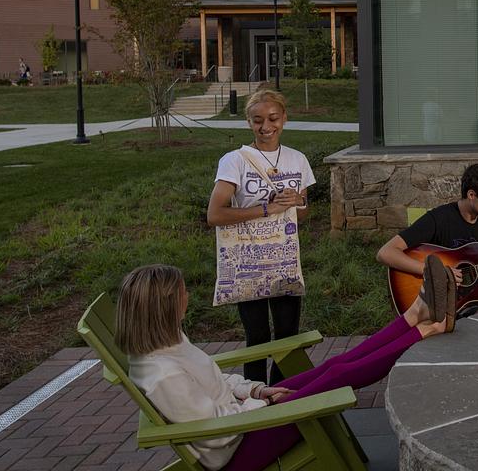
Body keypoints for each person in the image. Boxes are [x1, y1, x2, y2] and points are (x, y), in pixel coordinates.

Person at [117, 262, 453, 471]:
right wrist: (262, 406)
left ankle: (415, 315)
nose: (188, 296)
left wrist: (257, 390)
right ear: (163, 308)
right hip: (240, 449)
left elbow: (215, 381)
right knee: (337, 377)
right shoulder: (164, 375)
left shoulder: (169, 341)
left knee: (333, 366)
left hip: (247, 420)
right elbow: (218, 435)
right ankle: (424, 331)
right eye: (182, 293)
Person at [207, 89, 312, 384]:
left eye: (273, 118)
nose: (266, 126)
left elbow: (303, 212)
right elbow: (215, 214)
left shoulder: (297, 160)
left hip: (284, 260)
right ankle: (254, 394)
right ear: (248, 122)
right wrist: (267, 209)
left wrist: (295, 202)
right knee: (257, 336)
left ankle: (281, 392)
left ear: (284, 118)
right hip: (247, 262)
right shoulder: (235, 161)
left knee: (288, 335)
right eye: (257, 120)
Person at [376, 163, 478, 304]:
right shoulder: (438, 219)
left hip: (472, 298)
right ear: (471, 195)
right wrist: (435, 271)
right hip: (437, 300)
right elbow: (385, 253)